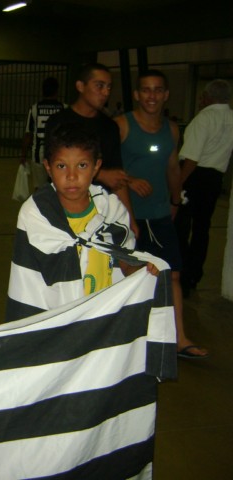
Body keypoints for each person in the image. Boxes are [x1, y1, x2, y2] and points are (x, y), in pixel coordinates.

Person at [6, 123, 157, 321]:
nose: (71, 176)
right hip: (56, 321)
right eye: (61, 166)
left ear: (96, 167)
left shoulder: (111, 210)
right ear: (48, 167)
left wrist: (142, 269)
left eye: (82, 165)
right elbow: (27, 281)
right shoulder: (36, 214)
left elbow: (125, 260)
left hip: (103, 316)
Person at [116, 69, 208, 359]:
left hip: (158, 215)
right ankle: (120, 339)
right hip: (125, 215)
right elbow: (101, 165)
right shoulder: (122, 125)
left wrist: (175, 201)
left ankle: (179, 339)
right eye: (146, 90)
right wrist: (130, 181)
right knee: (125, 276)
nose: (152, 95)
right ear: (136, 94)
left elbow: (171, 168)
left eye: (157, 90)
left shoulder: (171, 129)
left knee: (172, 276)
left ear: (166, 95)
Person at [45, 63, 138, 237]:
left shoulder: (109, 126)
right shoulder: (58, 122)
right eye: (99, 86)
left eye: (109, 87)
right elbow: (54, 166)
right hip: (63, 207)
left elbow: (117, 178)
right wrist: (101, 174)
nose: (106, 93)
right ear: (81, 86)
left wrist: (130, 220)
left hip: (98, 210)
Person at [175, 79, 233, 297]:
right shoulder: (231, 118)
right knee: (202, 229)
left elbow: (191, 158)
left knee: (182, 227)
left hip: (194, 177)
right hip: (215, 178)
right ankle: (194, 274)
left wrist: (177, 184)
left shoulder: (204, 118)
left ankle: (181, 274)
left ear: (208, 97)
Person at [20, 77, 66, 189]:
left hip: (38, 155)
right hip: (59, 155)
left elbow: (28, 134)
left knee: (39, 188)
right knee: (58, 187)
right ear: (56, 91)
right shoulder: (64, 108)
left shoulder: (35, 108)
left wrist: (23, 155)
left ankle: (40, 206)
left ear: (42, 91)